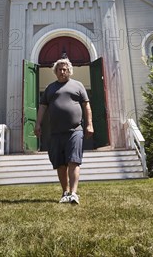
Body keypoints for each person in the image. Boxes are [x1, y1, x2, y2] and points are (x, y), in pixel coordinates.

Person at [34, 57, 94, 204]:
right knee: (60, 164)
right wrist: (37, 124)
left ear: (69, 71)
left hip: (75, 130)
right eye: (59, 69)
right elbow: (42, 107)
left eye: (65, 69)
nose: (62, 72)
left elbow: (86, 106)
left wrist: (89, 124)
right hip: (55, 132)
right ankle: (65, 192)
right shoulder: (50, 88)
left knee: (73, 161)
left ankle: (74, 193)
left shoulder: (78, 85)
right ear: (55, 72)